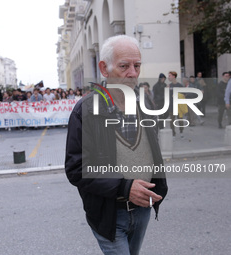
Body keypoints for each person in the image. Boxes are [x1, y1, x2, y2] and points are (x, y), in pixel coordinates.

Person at [65, 35, 167, 255]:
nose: (132, 73)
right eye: (124, 66)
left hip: (142, 210)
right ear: (104, 68)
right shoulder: (85, 110)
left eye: (136, 66)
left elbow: (152, 147)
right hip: (109, 213)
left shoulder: (145, 102)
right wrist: (124, 186)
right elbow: (76, 168)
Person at [168, 71, 184, 136]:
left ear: (173, 76)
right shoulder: (169, 86)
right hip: (171, 106)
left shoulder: (180, 85)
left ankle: (181, 132)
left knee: (180, 120)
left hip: (178, 106)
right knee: (172, 121)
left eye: (169, 76)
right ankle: (173, 134)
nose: (168, 77)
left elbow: (184, 94)